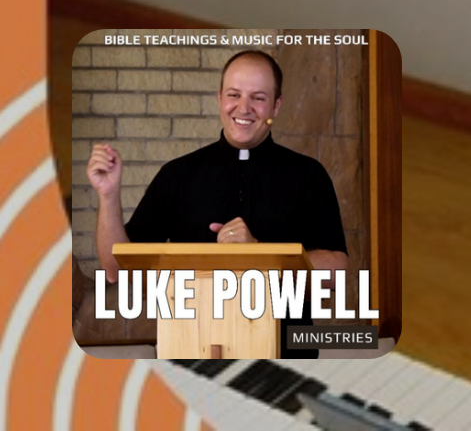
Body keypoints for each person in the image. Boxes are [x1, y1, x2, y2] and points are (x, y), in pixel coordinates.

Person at [87, 49, 350, 358]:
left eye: (258, 98)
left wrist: (258, 253)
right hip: (190, 356)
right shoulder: (177, 174)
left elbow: (337, 271)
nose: (244, 108)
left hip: (287, 361)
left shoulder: (309, 175)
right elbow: (116, 269)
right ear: (219, 98)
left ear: (276, 106)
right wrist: (108, 195)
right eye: (234, 95)